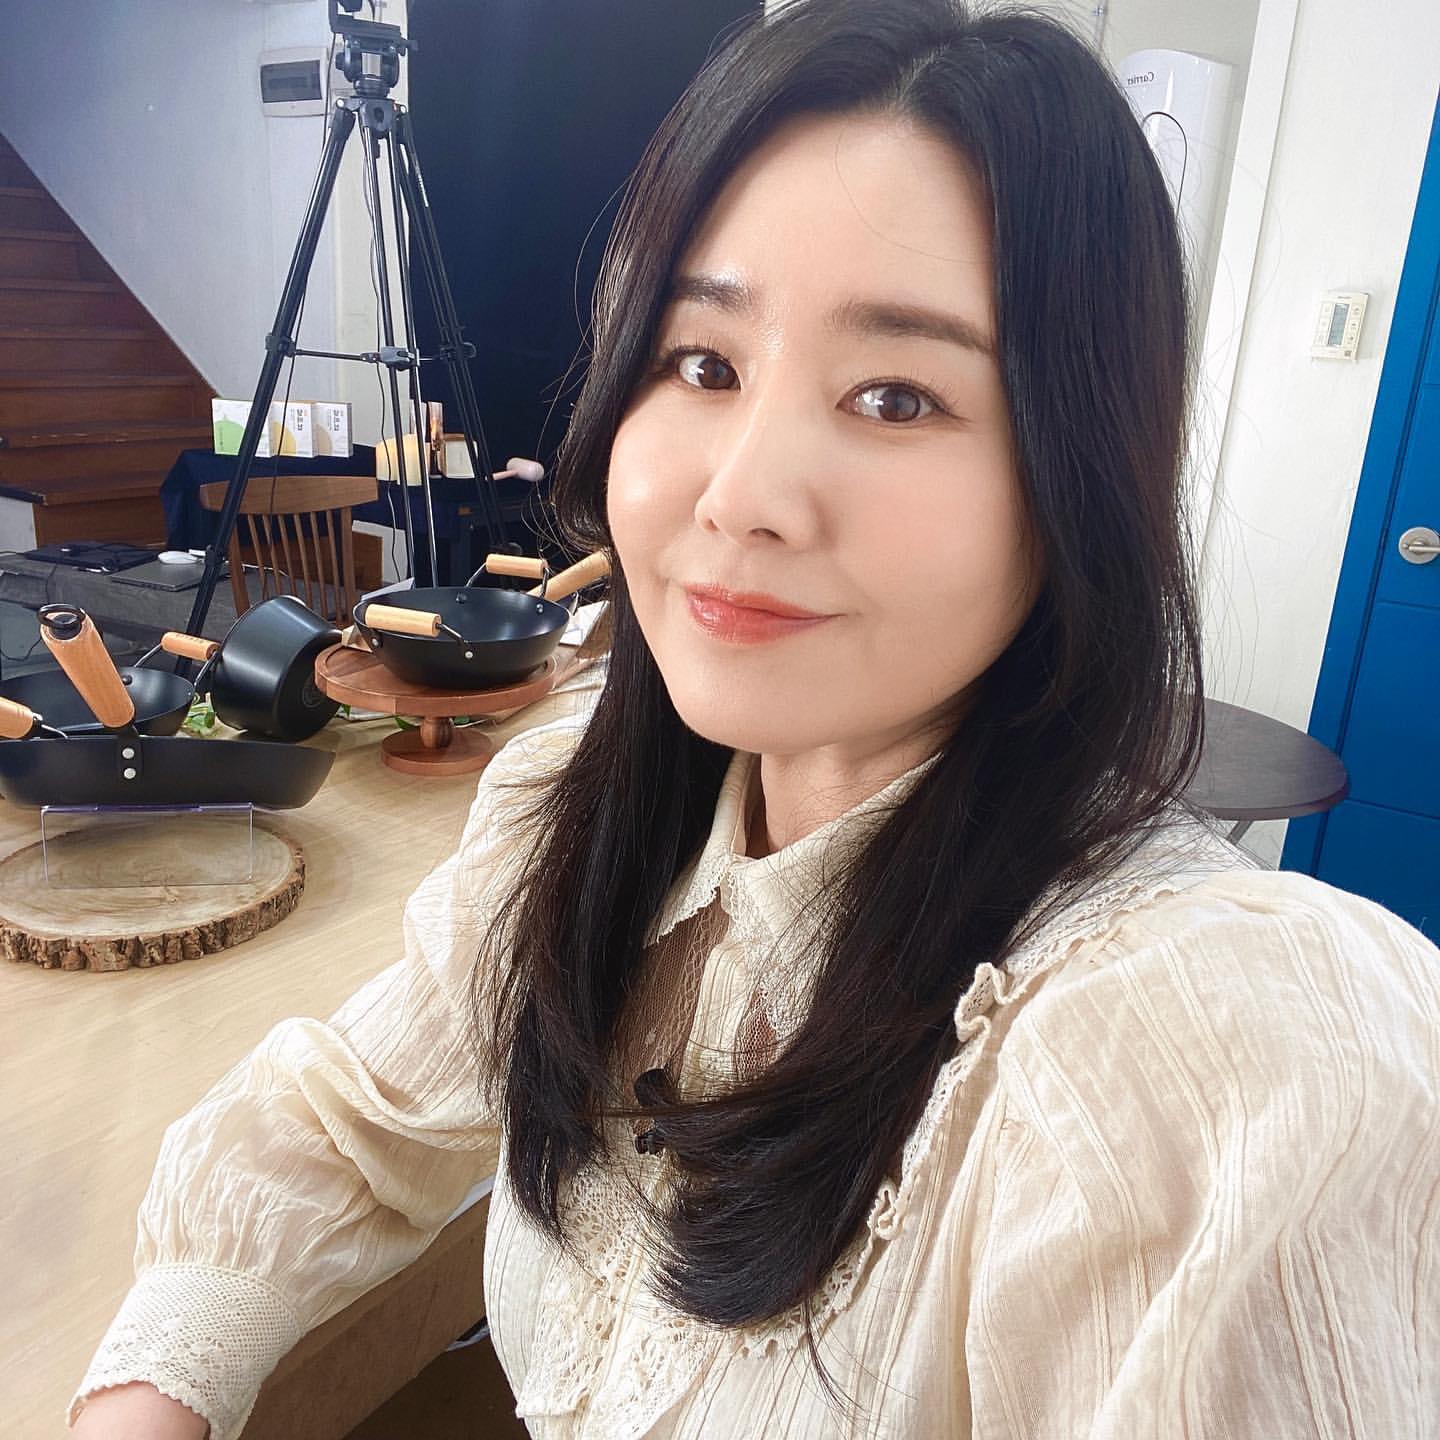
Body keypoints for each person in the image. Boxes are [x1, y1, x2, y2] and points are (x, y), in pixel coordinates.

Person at [70, 2, 1440, 1437]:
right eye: (704, 364)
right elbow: (343, 1117)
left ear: (1077, 468)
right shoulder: (578, 809)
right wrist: (153, 1390)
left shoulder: (1209, 1057)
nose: (739, 497)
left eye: (897, 396)